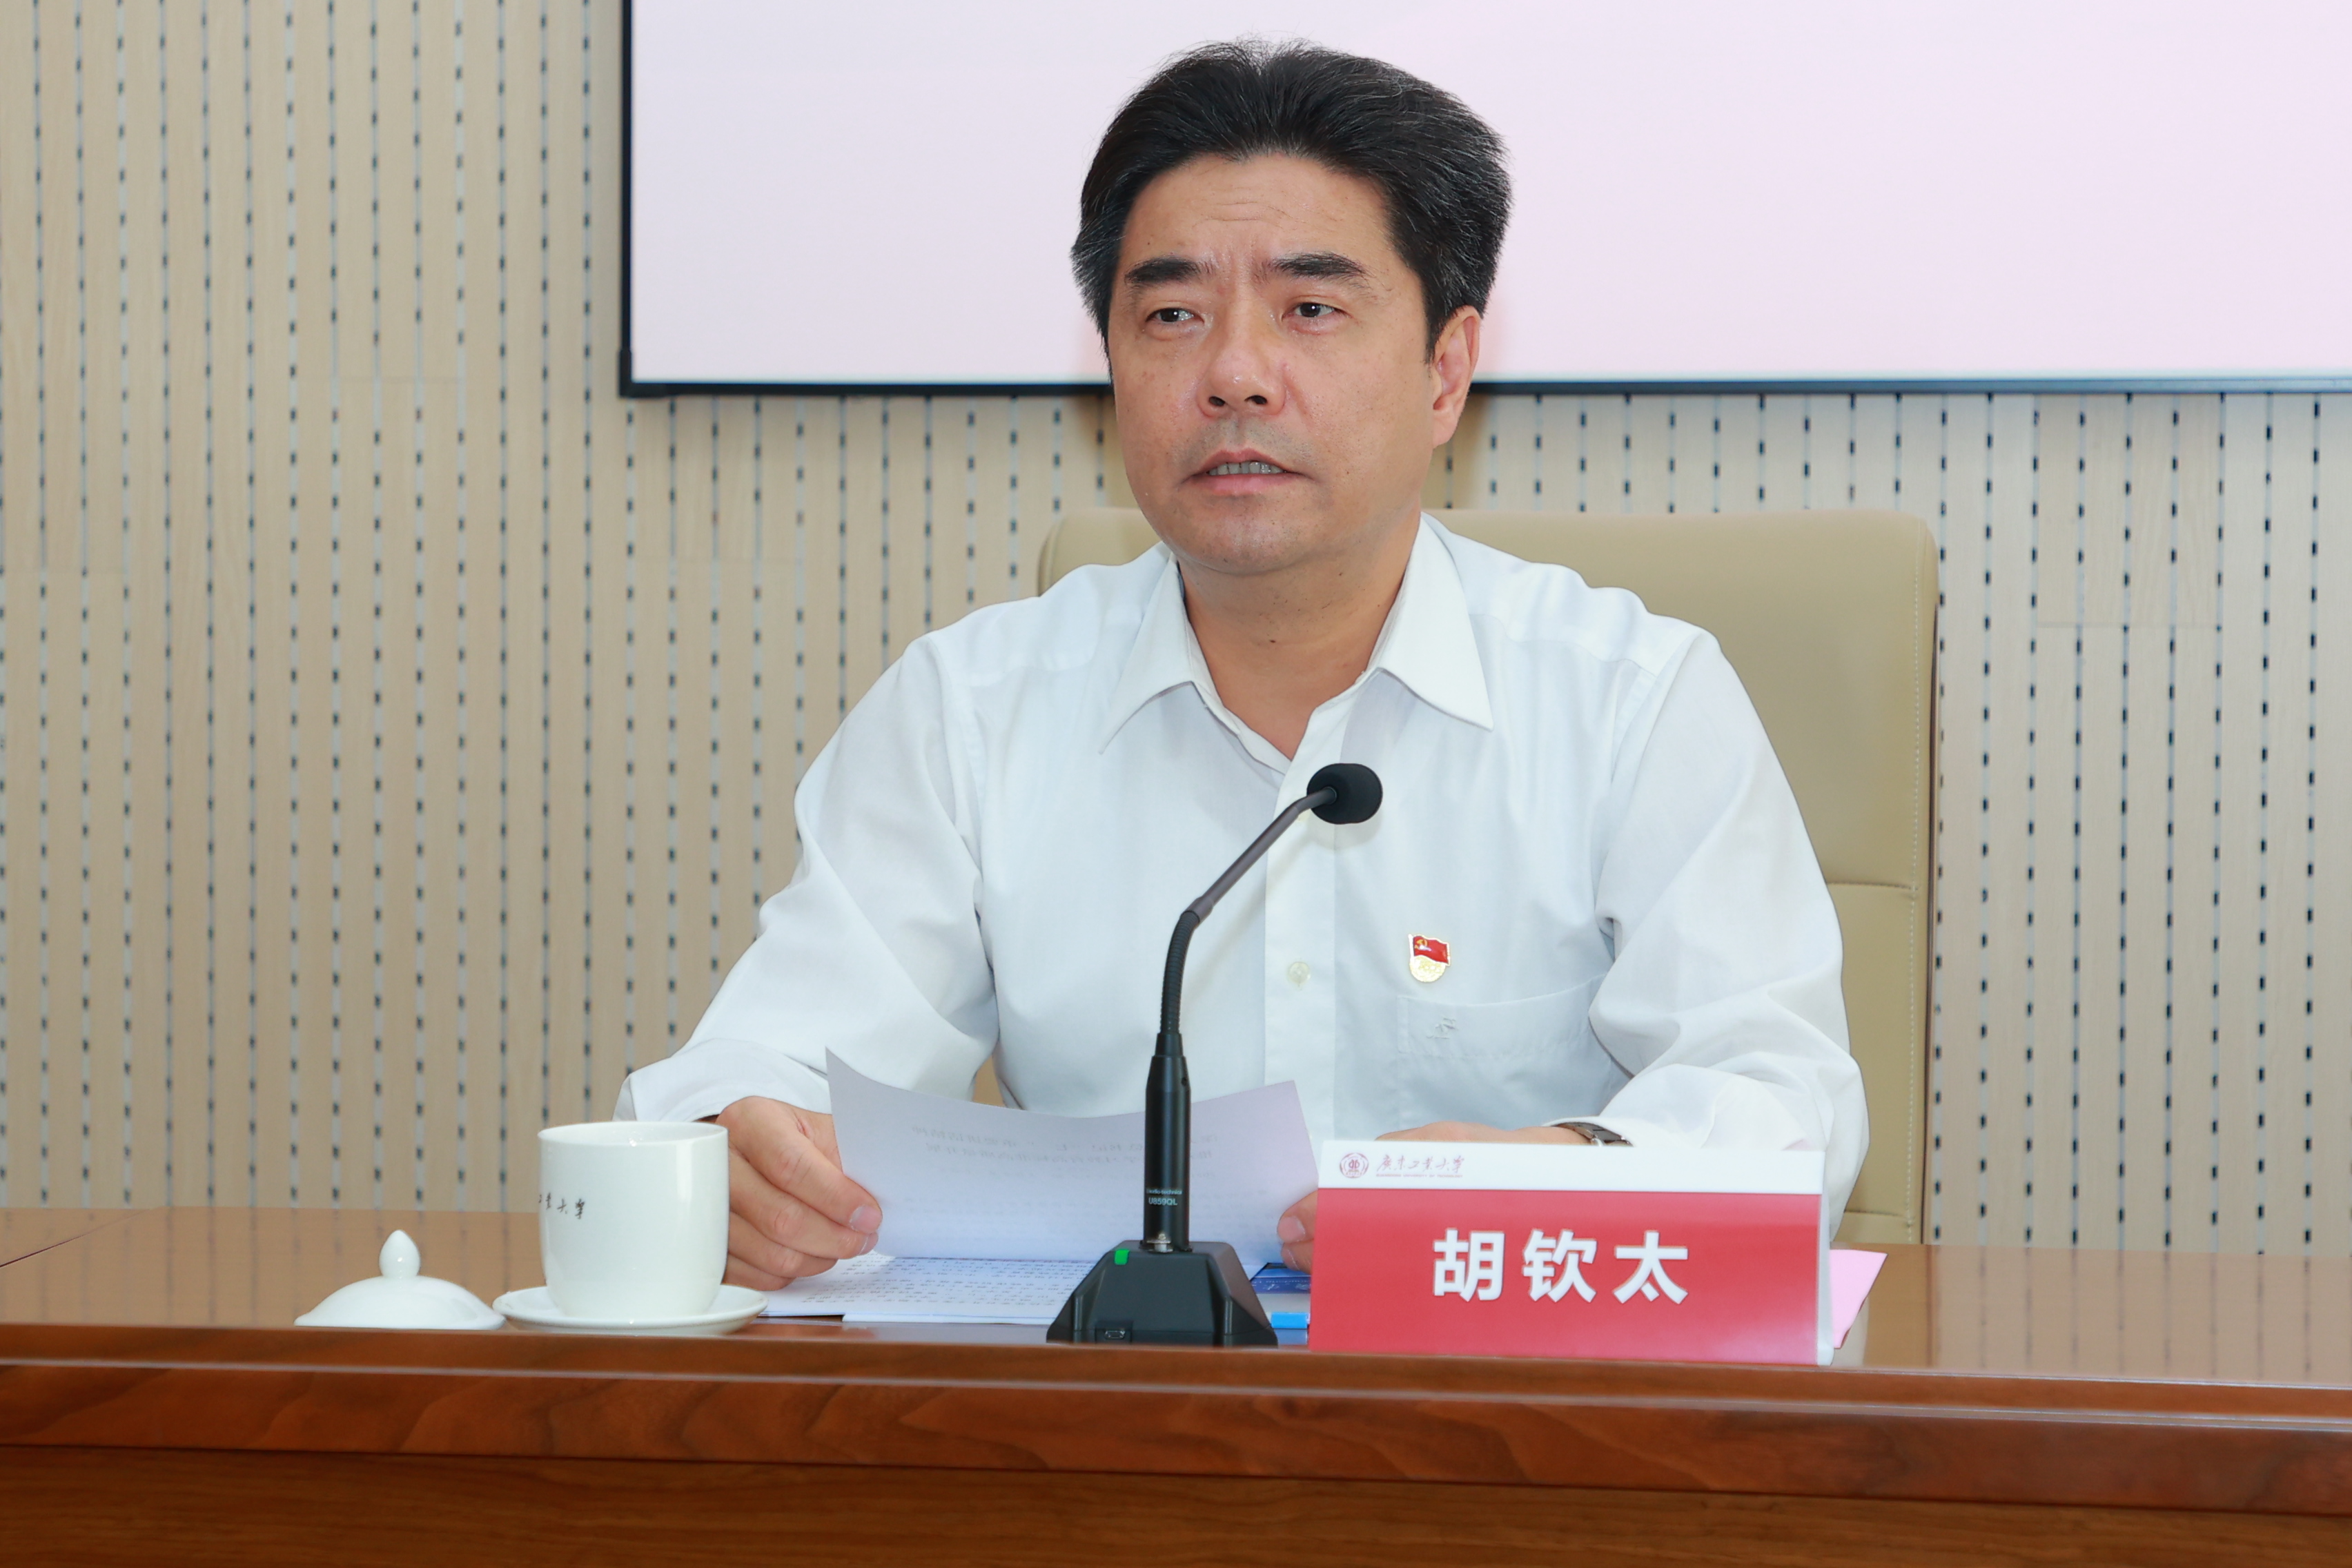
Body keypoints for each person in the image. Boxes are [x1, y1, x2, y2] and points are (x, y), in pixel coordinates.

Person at [616, 39, 1865, 1287]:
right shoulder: (971, 710)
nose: (1233, 376)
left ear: (1444, 372)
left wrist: (1556, 1174)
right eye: (1172, 316)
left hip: (1503, 1386)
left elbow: (1781, 1101)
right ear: (1111, 365)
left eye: (1311, 310)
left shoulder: (1631, 700)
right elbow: (767, 1061)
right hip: (1111, 1398)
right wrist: (738, 1148)